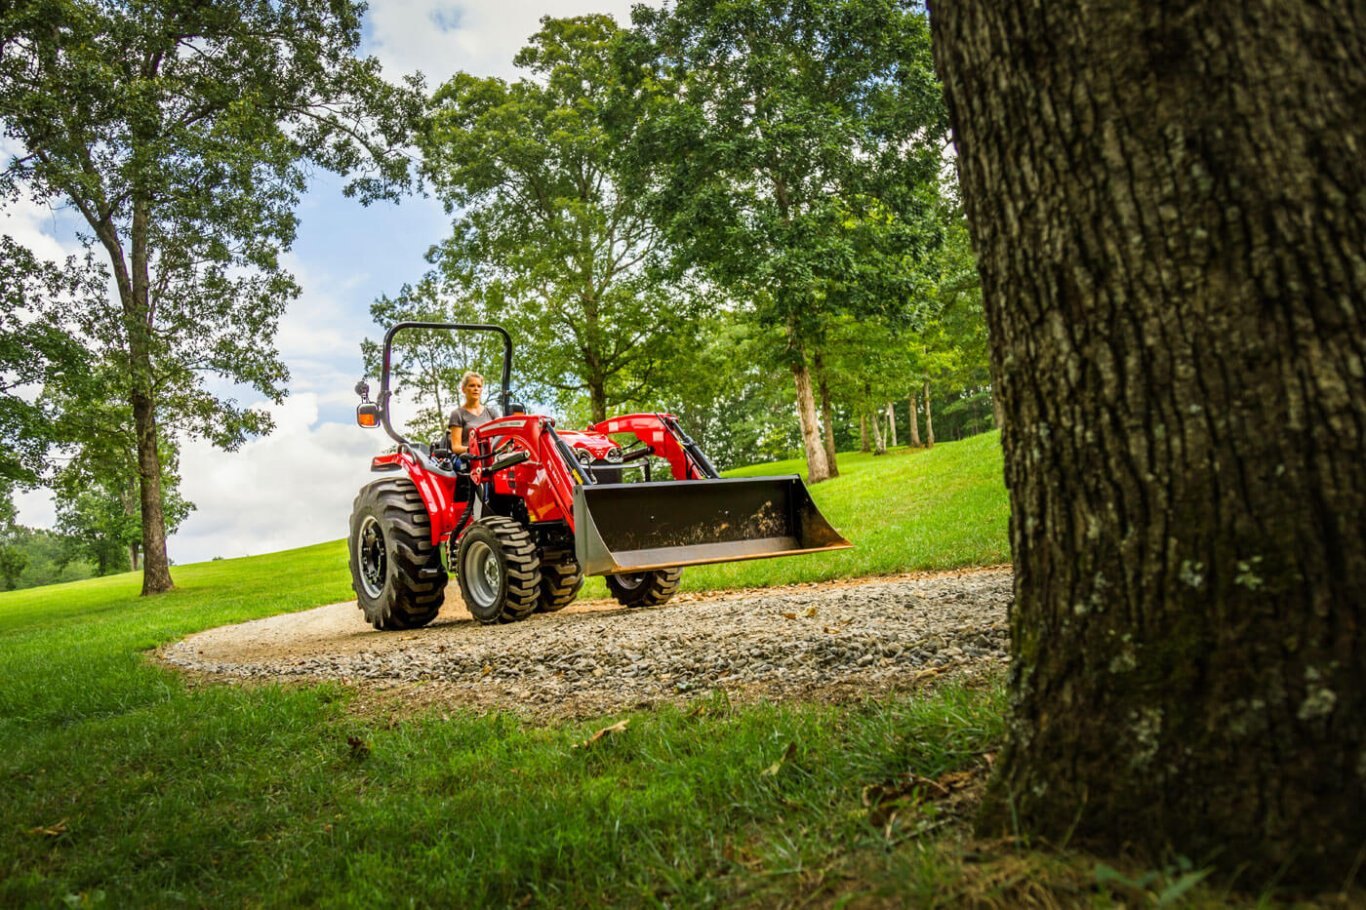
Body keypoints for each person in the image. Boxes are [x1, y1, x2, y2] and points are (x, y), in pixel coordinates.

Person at [448, 371, 499, 455]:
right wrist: (475, 450)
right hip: (469, 460)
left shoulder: (492, 412)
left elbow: (502, 436)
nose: (476, 389)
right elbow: (456, 447)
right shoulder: (457, 414)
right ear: (463, 389)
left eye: (479, 386)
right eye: (472, 385)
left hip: (493, 458)